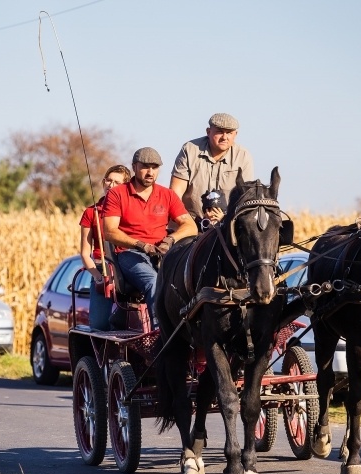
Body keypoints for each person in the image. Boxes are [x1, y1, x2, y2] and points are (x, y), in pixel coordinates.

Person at [103, 147, 197, 325]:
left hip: (163, 254)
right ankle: (159, 333)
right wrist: (141, 245)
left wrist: (169, 240)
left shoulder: (167, 195)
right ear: (134, 167)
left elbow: (190, 226)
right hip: (129, 254)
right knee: (154, 281)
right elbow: (110, 231)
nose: (150, 172)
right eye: (145, 167)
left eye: (155, 167)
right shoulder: (117, 194)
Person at [169, 113, 254, 228]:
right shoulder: (189, 149)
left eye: (229, 133)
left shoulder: (243, 156)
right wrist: (189, 222)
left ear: (235, 134)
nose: (224, 137)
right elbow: (175, 194)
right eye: (219, 131)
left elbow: (245, 198)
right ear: (208, 132)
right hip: (191, 224)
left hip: (228, 225)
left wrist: (225, 218)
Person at [79, 164, 131, 331]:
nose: (111, 185)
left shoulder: (130, 211)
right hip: (103, 268)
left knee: (131, 321)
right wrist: (96, 275)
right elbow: (85, 253)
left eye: (116, 182)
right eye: (108, 180)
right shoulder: (91, 212)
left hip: (127, 266)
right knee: (99, 324)